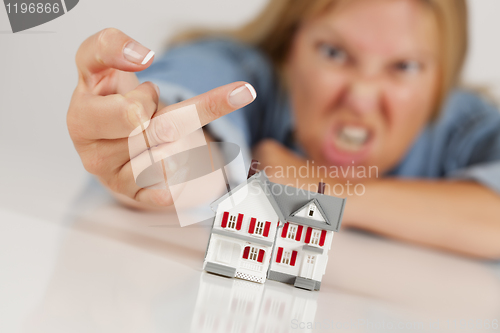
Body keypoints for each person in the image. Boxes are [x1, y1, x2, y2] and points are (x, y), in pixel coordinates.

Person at [67, 0, 500, 258]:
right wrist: (157, 144)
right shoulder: (241, 69)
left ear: (442, 79)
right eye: (334, 52)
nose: (363, 97)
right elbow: (187, 144)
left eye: (404, 66)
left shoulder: (466, 124)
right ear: (289, 46)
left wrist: (308, 187)